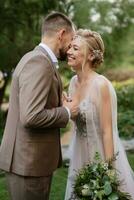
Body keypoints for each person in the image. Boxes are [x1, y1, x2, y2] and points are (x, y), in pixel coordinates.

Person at [0, 12, 79, 200]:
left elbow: (30, 106)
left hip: (30, 162)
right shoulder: (39, 62)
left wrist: (57, 101)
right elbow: (31, 116)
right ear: (61, 34)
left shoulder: (35, 58)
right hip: (29, 164)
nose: (70, 47)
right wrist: (67, 112)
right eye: (72, 39)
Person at [64, 29, 134, 199]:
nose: (68, 52)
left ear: (90, 56)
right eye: (70, 47)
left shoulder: (101, 85)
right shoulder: (73, 82)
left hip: (101, 154)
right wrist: (68, 111)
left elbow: (107, 132)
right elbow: (77, 121)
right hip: (80, 154)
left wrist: (107, 171)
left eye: (75, 48)